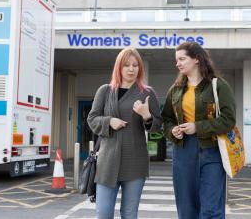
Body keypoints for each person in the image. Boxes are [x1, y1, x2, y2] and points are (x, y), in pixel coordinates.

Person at [161, 41, 236, 219]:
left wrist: (197, 126)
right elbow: (167, 119)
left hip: (212, 152)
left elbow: (228, 120)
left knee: (211, 210)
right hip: (183, 153)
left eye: (182, 59)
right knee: (186, 210)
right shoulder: (176, 90)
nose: (177, 63)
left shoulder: (218, 86)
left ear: (196, 59)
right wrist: (172, 131)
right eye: (176, 60)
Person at [87, 47, 162, 219]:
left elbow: (158, 126)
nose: (131, 69)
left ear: (140, 68)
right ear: (118, 67)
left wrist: (147, 116)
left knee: (129, 214)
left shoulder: (147, 93)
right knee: (103, 214)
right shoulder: (105, 91)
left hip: (135, 162)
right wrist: (109, 121)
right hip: (107, 162)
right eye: (126, 65)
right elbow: (92, 119)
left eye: (135, 65)